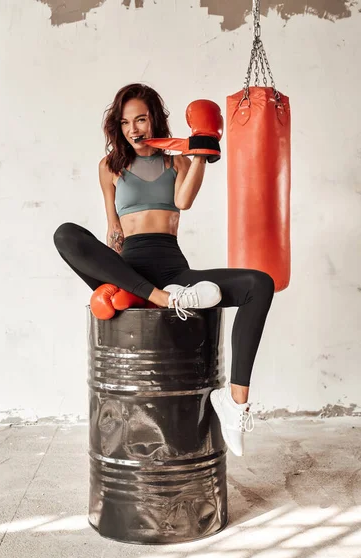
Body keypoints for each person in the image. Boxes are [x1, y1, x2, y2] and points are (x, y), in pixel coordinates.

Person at [53, 83, 275, 456]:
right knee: (66, 235)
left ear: (153, 118)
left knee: (260, 283)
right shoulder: (109, 167)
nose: (133, 129)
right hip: (129, 271)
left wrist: (202, 150)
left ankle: (234, 404)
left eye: (140, 119)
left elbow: (183, 202)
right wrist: (113, 275)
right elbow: (113, 229)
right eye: (125, 123)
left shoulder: (177, 160)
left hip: (174, 271)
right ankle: (158, 298)